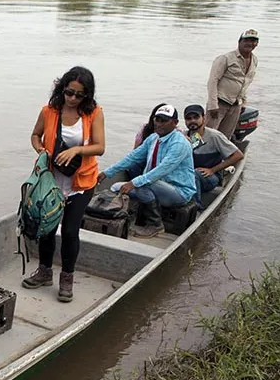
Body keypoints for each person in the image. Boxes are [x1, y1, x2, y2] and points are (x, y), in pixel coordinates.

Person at [24, 66, 105, 303]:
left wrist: (77, 150)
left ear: (87, 96)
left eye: (79, 95)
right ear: (62, 89)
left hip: (81, 183)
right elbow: (35, 135)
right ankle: (45, 272)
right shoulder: (49, 111)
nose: (72, 99)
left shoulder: (94, 113)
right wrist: (41, 150)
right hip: (51, 182)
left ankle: (67, 278)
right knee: (46, 228)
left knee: (70, 232)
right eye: (69, 92)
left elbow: (100, 146)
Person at [99, 104, 197, 239]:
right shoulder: (153, 138)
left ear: (174, 123)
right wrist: (107, 172)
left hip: (179, 192)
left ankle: (155, 224)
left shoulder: (179, 144)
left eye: (164, 121)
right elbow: (133, 157)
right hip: (157, 186)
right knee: (116, 186)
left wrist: (133, 183)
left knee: (146, 183)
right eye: (157, 119)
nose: (159, 124)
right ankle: (144, 216)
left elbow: (161, 170)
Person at [184, 103, 243, 208]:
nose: (192, 121)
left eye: (196, 117)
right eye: (189, 118)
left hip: (210, 177)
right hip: (188, 175)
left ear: (204, 118)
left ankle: (196, 208)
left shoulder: (214, 136)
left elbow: (238, 155)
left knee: (195, 174)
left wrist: (213, 170)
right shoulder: (183, 136)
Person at [207, 29, 259, 140]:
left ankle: (222, 157)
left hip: (236, 106)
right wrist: (212, 105)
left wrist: (243, 102)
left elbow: (246, 82)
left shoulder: (254, 60)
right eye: (247, 40)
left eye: (253, 41)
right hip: (219, 103)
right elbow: (212, 81)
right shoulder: (225, 58)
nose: (250, 43)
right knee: (208, 136)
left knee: (225, 138)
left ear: (257, 44)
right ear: (239, 42)